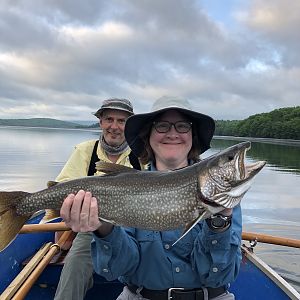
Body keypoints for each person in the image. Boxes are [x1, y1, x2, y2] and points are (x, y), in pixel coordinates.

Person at [60, 96, 242, 300]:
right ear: (148, 136)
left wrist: (220, 221)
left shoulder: (223, 196)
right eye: (162, 126)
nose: (172, 133)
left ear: (193, 136)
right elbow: (116, 270)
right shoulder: (128, 187)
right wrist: (103, 228)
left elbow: (218, 276)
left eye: (182, 126)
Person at [54, 98, 141, 300]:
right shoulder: (85, 150)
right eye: (109, 119)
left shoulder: (142, 153)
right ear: (100, 122)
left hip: (137, 227)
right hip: (91, 228)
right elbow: (62, 187)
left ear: (129, 125)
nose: (114, 126)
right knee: (74, 265)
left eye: (122, 121)